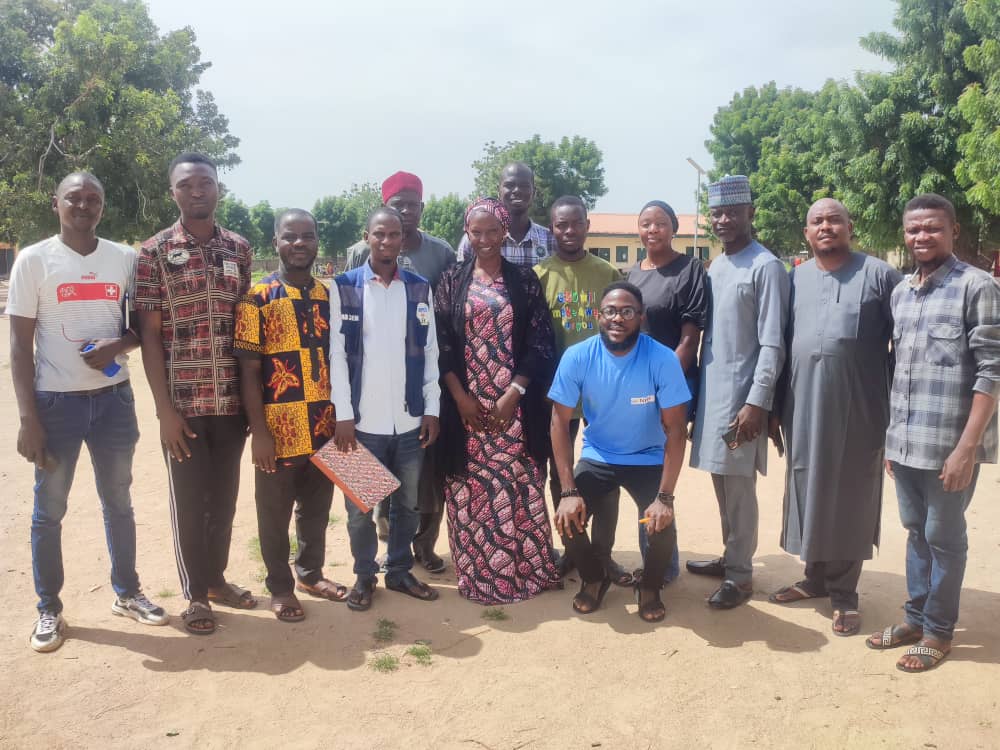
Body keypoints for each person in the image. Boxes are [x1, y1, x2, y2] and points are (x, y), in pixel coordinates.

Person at [9, 172, 168, 652]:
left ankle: (127, 592)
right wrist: (28, 418)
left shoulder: (124, 259)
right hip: (55, 405)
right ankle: (49, 609)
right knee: (49, 510)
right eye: (74, 198)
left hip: (114, 402)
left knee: (118, 501)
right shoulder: (33, 261)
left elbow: (144, 330)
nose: (83, 205)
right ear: (56, 203)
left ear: (103, 206)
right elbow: (19, 347)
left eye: (93, 198)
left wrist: (115, 345)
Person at [867, 193, 1000, 672]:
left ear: (953, 231)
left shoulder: (977, 287)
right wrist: (890, 438)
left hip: (950, 448)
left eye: (933, 228)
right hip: (905, 445)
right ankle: (916, 617)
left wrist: (968, 449)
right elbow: (899, 369)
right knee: (915, 532)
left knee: (944, 537)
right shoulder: (902, 292)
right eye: (914, 229)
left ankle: (939, 632)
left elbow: (992, 372)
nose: (922, 237)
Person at [767, 198, 902, 636]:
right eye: (817, 221)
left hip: (860, 408)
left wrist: (898, 411)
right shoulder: (796, 278)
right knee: (808, 484)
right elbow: (781, 345)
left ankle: (844, 593)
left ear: (850, 226)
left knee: (850, 493)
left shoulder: (880, 275)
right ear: (806, 232)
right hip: (801, 403)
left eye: (834, 220)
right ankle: (815, 578)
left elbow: (904, 346)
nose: (826, 226)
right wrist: (772, 408)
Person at [135, 152, 257, 635]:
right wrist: (163, 411)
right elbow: (148, 334)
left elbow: (249, 330)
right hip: (182, 405)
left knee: (224, 498)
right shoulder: (155, 252)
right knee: (189, 501)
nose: (198, 190)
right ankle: (194, 596)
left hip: (231, 401)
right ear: (174, 193)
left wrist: (254, 405)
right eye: (187, 184)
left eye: (206, 182)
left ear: (217, 188)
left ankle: (217, 579)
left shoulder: (239, 249)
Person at [436, 198, 561, 604]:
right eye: (477, 232)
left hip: (514, 408)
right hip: (467, 409)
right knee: (470, 489)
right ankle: (478, 577)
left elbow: (540, 342)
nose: (485, 239)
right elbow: (440, 345)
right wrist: (460, 399)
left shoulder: (524, 280)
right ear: (467, 234)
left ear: (504, 232)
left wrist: (514, 393)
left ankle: (527, 573)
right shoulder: (450, 280)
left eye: (493, 231)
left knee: (518, 485)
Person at [549, 282, 690, 622]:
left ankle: (651, 586)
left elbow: (676, 431)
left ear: (640, 318)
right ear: (599, 316)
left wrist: (665, 497)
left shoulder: (662, 359)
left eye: (627, 311)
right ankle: (595, 579)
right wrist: (568, 490)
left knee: (661, 523)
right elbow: (558, 422)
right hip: (598, 455)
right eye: (610, 311)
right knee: (567, 516)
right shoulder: (578, 355)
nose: (618, 318)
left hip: (648, 456)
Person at [234, 208, 347, 623]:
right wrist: (258, 432)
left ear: (317, 241)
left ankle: (310, 574)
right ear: (275, 242)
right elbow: (248, 371)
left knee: (316, 510)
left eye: (307, 236)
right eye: (290, 236)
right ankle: (280, 586)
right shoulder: (257, 299)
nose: (299, 243)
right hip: (278, 430)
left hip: (324, 426)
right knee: (274, 514)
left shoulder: (329, 296)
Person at [329, 207, 441, 611]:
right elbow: (337, 356)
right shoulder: (343, 288)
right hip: (360, 423)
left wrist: (432, 409)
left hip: (410, 420)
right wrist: (343, 414)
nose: (387, 241)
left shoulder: (417, 288)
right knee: (360, 508)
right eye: (380, 234)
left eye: (394, 234)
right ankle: (363, 575)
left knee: (406, 503)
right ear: (367, 237)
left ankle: (397, 570)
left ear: (402, 237)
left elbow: (430, 352)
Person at [345, 171, 456, 572]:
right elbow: (345, 339)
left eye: (412, 204)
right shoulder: (355, 261)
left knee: (419, 483)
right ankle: (367, 567)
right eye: (397, 205)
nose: (405, 213)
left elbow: (442, 322)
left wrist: (433, 400)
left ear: (422, 209)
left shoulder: (440, 254)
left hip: (419, 384)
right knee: (366, 489)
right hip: (365, 396)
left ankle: (418, 551)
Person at [687, 175, 790, 609]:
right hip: (714, 396)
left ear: (751, 212)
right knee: (720, 479)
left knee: (739, 487)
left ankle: (741, 577)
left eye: (733, 211)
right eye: (717, 213)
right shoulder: (719, 264)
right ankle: (732, 557)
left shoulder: (765, 266)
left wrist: (756, 403)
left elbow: (773, 343)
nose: (724, 219)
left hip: (741, 402)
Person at [534, 196, 632, 586]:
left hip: (602, 397)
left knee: (605, 478)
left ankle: (603, 555)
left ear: (587, 226)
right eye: (561, 225)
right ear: (552, 229)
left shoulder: (607, 273)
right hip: (555, 396)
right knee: (560, 479)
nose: (569, 231)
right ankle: (574, 551)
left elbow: (623, 330)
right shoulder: (539, 274)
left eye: (576, 224)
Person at [627, 199, 708, 586]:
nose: (653, 230)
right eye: (646, 224)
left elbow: (689, 340)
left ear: (674, 227)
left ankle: (662, 565)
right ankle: (658, 560)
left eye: (660, 223)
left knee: (660, 480)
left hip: (669, 389)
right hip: (633, 390)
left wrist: (661, 389)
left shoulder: (690, 270)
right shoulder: (633, 274)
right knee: (642, 475)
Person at [456, 163, 553, 266]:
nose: (517, 190)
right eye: (509, 185)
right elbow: (460, 279)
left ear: (534, 193)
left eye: (524, 186)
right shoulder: (473, 241)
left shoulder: (551, 240)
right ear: (499, 191)